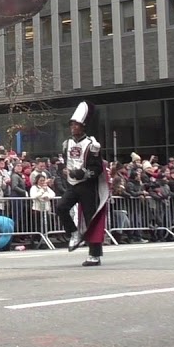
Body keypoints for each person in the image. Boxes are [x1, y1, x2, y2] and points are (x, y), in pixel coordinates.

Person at [56, 102, 110, 266]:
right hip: (73, 185)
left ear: (83, 126)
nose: (73, 127)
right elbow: (63, 163)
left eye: (76, 125)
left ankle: (94, 254)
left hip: (88, 186)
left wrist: (84, 172)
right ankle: (74, 233)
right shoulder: (67, 144)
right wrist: (63, 170)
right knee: (61, 207)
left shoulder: (92, 145)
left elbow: (97, 168)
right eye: (72, 124)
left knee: (91, 219)